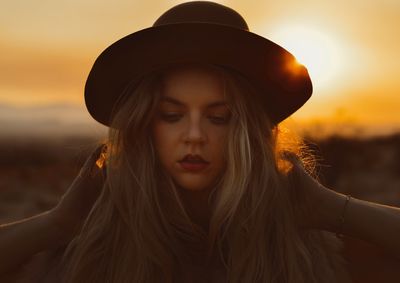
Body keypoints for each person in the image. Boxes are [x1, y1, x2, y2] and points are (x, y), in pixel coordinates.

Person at [1, 1, 399, 282]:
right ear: (144, 125)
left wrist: (335, 210)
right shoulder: (93, 240)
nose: (194, 135)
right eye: (171, 115)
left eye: (219, 117)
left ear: (249, 131)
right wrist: (56, 224)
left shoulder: (304, 246)